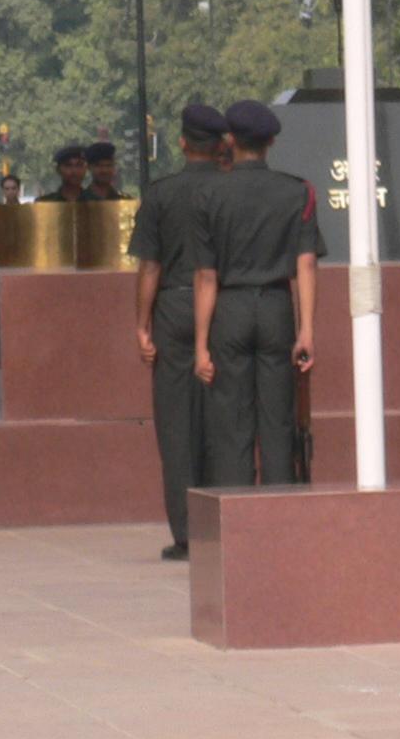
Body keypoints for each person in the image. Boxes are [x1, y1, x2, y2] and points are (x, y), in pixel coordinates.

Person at [192, 100, 326, 486]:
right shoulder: (297, 192)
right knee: (277, 420)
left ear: (230, 141)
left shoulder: (209, 194)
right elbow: (306, 264)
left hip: (230, 307)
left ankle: (238, 510)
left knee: (233, 422)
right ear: (270, 142)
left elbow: (205, 276)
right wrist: (307, 330)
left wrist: (201, 345)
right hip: (275, 306)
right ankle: (279, 510)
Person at [128, 104, 229, 560]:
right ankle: (223, 522)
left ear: (183, 142)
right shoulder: (229, 189)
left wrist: (142, 325)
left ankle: (186, 532)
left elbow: (150, 266)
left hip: (172, 305)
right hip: (223, 305)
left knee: (175, 422)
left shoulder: (161, 194)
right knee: (223, 419)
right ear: (219, 144)